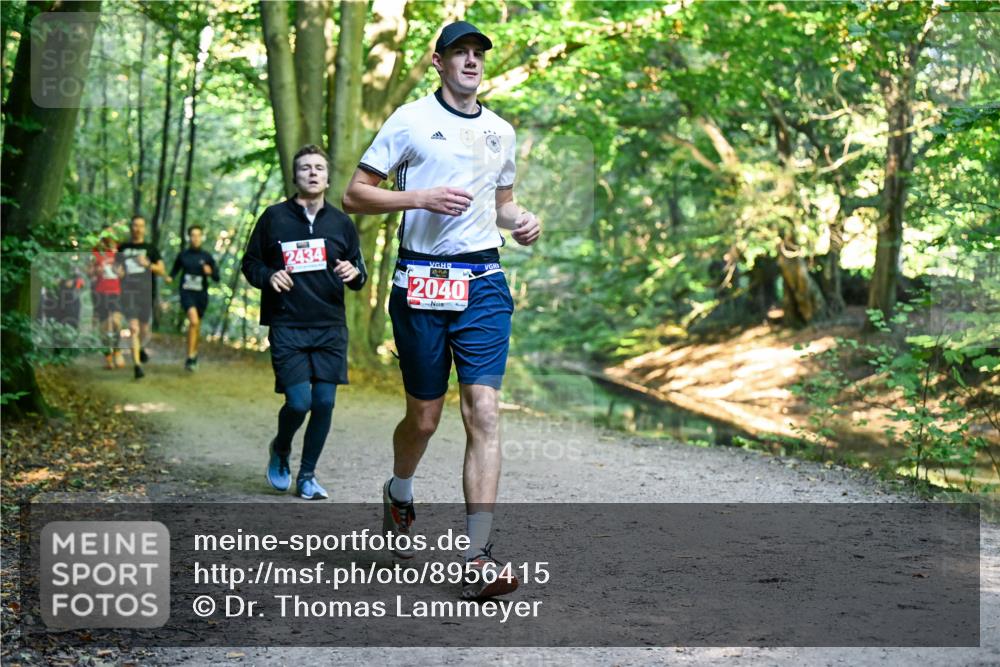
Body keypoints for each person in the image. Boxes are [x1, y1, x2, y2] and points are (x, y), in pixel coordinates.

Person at [343, 21, 541, 599]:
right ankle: (400, 490)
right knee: (424, 419)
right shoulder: (409, 120)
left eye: (478, 53)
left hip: (483, 282)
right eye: (460, 52)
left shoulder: (501, 131)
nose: (472, 61)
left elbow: (502, 205)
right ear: (438, 61)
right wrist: (418, 197)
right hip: (421, 283)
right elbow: (354, 194)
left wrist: (522, 221)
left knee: (484, 412)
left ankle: (477, 555)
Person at [242, 144, 367, 500]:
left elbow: (359, 274)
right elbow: (250, 264)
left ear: (327, 178)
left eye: (318, 168)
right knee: (299, 402)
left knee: (324, 403)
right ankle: (281, 448)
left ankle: (308, 475)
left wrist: (353, 273)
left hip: (330, 326)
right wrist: (269, 275)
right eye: (305, 168)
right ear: (295, 176)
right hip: (287, 325)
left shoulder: (341, 223)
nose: (312, 173)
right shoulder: (273, 218)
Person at [117, 215, 171, 379]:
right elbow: (116, 268)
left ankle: (139, 348)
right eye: (135, 225)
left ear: (144, 229)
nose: (137, 229)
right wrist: (119, 272)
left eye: (141, 226)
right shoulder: (123, 248)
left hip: (146, 294)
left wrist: (147, 264)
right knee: (133, 328)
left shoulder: (151, 249)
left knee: (144, 330)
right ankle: (137, 366)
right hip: (128, 293)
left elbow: (161, 270)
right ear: (131, 227)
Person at [171, 225, 220, 371]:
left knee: (196, 326)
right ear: (189, 237)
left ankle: (193, 354)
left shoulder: (207, 257)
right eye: (193, 235)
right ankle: (190, 357)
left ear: (202, 238)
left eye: (198, 235)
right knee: (193, 321)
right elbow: (173, 273)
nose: (195, 238)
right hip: (187, 293)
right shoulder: (183, 255)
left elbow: (217, 277)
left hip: (201, 296)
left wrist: (210, 272)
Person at [91, 228, 125, 370]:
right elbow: (89, 271)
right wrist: (95, 271)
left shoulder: (119, 251)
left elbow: (124, 273)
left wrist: (120, 272)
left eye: (112, 234)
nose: (109, 237)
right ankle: (108, 357)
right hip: (100, 293)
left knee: (116, 321)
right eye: (106, 234)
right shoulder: (96, 252)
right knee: (103, 326)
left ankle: (117, 350)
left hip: (116, 292)